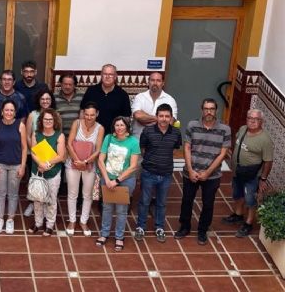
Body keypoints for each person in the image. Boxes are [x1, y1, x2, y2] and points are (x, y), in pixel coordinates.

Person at [175, 98, 231, 245]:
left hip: (212, 176)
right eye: (206, 109)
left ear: (216, 111)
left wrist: (207, 173)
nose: (209, 112)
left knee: (208, 204)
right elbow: (186, 148)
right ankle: (184, 227)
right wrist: (190, 169)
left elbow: (222, 153)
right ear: (202, 110)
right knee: (187, 200)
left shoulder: (225, 129)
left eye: (211, 109)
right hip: (191, 172)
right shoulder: (192, 125)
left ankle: (202, 231)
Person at [134, 104, 182, 243]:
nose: (164, 119)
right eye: (161, 116)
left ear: (171, 118)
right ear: (156, 117)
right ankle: (140, 227)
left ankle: (159, 227)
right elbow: (143, 149)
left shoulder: (176, 133)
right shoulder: (148, 131)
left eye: (167, 116)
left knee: (161, 203)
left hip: (166, 174)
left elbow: (174, 149)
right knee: (144, 201)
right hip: (148, 172)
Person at [222, 109, 274, 238]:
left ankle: (249, 223)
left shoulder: (265, 139)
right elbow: (236, 144)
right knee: (237, 194)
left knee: (250, 199)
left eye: (255, 119)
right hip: (238, 171)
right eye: (249, 117)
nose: (252, 120)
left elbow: (268, 161)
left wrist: (263, 179)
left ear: (261, 121)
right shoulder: (243, 129)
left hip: (252, 175)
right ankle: (238, 215)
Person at [95, 116, 140, 251]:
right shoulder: (108, 138)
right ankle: (104, 234)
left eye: (122, 125)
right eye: (117, 125)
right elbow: (101, 160)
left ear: (127, 127)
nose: (119, 128)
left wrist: (117, 180)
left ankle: (119, 237)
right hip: (107, 179)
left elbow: (133, 166)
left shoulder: (133, 142)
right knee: (107, 207)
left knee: (121, 210)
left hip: (125, 181)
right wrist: (107, 180)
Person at [0, 70, 29, 205]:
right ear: (0, 81)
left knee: (11, 164)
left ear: (14, 82)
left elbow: (23, 117)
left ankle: (11, 194)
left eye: (9, 79)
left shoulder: (20, 97)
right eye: (4, 79)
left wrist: (17, 133)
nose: (7, 82)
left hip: (13, 136)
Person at [65, 102, 104, 236]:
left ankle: (83, 221)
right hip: (73, 163)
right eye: (86, 114)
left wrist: (85, 162)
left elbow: (98, 149)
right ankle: (72, 221)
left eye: (92, 115)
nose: (89, 117)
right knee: (72, 193)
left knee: (87, 195)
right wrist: (77, 161)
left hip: (89, 165)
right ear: (83, 114)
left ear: (97, 114)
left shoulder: (100, 128)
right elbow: (69, 143)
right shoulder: (77, 123)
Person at [0, 100, 27, 234]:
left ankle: (10, 219)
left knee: (13, 193)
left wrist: (22, 166)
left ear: (15, 112)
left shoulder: (20, 126)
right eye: (6, 110)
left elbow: (24, 147)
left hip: (16, 165)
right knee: (0, 193)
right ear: (2, 111)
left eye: (11, 110)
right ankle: (0, 219)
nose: (9, 113)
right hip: (0, 164)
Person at [27, 108, 66, 237]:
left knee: (51, 199)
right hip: (37, 170)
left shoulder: (59, 135)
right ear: (41, 120)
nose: (48, 121)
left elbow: (61, 156)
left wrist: (47, 164)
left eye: (50, 119)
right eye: (45, 119)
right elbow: (33, 152)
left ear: (54, 120)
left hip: (53, 172)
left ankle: (49, 225)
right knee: (37, 198)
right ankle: (38, 223)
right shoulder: (36, 134)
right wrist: (41, 164)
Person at [23, 88, 57, 217]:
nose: (45, 101)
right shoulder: (33, 114)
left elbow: (58, 135)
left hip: (51, 157)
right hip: (36, 155)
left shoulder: (55, 115)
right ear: (39, 101)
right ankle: (33, 203)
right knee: (35, 180)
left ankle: (49, 207)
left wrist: (51, 155)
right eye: (42, 99)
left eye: (48, 99)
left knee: (50, 182)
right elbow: (27, 135)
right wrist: (35, 151)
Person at [81, 64, 131, 133]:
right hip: (91, 133)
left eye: (110, 74)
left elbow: (126, 118)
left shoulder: (123, 95)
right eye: (105, 74)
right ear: (101, 75)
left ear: (115, 76)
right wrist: (82, 130)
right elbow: (82, 112)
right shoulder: (91, 91)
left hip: (113, 135)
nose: (107, 77)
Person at [131, 72, 178, 138]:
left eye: (158, 80)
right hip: (138, 140)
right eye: (152, 80)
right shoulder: (139, 97)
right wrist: (161, 119)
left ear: (163, 83)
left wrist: (145, 118)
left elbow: (170, 122)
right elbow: (138, 116)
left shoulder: (170, 100)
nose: (155, 83)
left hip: (159, 142)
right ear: (148, 82)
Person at [55, 72, 84, 137]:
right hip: (60, 135)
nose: (67, 87)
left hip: (78, 136)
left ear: (74, 85)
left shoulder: (82, 96)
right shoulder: (54, 97)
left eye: (70, 84)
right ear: (61, 84)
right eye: (65, 84)